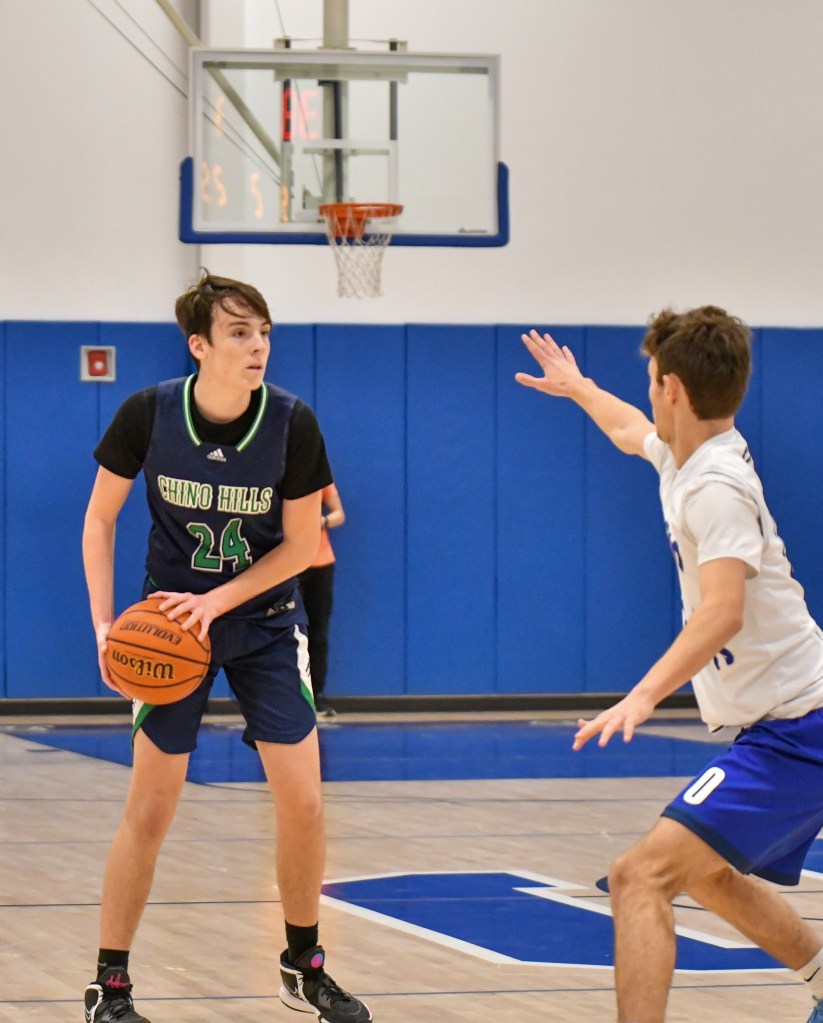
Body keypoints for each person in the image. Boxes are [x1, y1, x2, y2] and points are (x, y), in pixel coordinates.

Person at [516, 306, 823, 1023]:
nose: (648, 391)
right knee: (705, 870)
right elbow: (631, 430)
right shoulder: (689, 456)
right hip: (787, 724)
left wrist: (643, 695)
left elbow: (723, 611)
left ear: (673, 388)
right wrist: (579, 387)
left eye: (652, 378)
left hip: (800, 729)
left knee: (639, 876)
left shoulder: (717, 487)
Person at [81, 271, 371, 1023]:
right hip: (170, 627)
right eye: (239, 333)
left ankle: (303, 966)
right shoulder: (147, 413)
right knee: (151, 807)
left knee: (304, 801)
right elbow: (100, 520)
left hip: (264, 623)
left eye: (263, 332)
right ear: (199, 346)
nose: (257, 346)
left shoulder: (292, 423)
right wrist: (105, 625)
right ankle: (109, 985)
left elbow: (302, 545)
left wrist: (217, 601)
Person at [298, 483, 345, 718]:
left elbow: (339, 514)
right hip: (287, 564)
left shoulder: (320, 479)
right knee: (286, 632)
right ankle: (286, 696)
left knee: (318, 631)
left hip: (321, 564)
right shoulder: (275, 476)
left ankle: (316, 695)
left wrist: (322, 521)